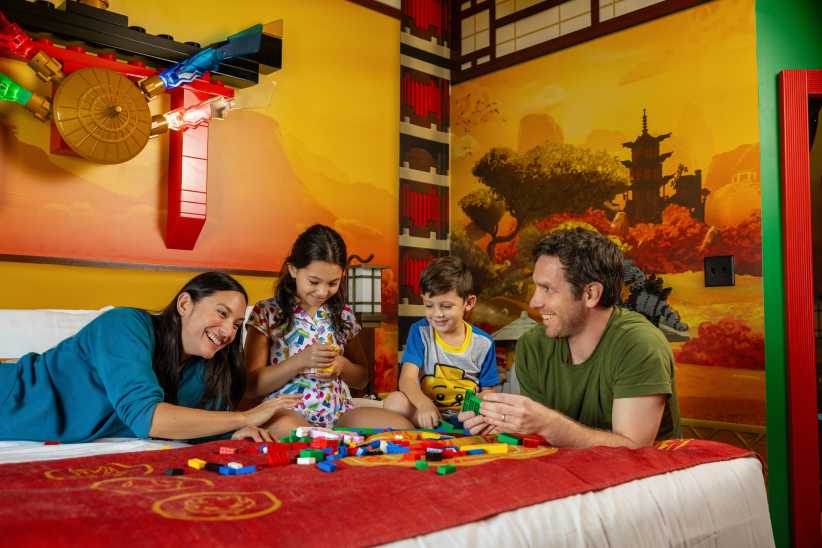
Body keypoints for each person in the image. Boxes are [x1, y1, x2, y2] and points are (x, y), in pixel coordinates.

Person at [0, 272, 301, 443]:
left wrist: (248, 427)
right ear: (185, 303)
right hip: (12, 397)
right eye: (221, 314)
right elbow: (146, 417)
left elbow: (204, 426)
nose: (227, 332)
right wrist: (244, 417)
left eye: (236, 325)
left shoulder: (202, 371)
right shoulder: (124, 325)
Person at [459, 228, 681, 448]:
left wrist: (547, 424)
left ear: (590, 294)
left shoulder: (640, 344)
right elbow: (542, 440)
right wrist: (499, 423)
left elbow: (634, 448)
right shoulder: (533, 345)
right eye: (536, 287)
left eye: (547, 289)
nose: (534, 302)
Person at [244, 224, 413, 435]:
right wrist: (299, 361)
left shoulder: (342, 314)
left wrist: (342, 365)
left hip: (339, 411)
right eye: (314, 281)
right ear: (293, 269)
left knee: (403, 429)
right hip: (287, 412)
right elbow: (251, 387)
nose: (323, 292)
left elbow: (362, 378)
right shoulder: (267, 312)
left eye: (333, 283)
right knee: (301, 436)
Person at [382, 256, 500, 429]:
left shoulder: (484, 343)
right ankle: (433, 426)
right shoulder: (420, 331)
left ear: (468, 303)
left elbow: (487, 391)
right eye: (429, 305)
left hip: (467, 416)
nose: (437, 314)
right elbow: (407, 378)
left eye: (446, 306)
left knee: (491, 407)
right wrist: (423, 404)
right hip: (426, 412)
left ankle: (457, 429)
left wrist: (473, 410)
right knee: (394, 401)